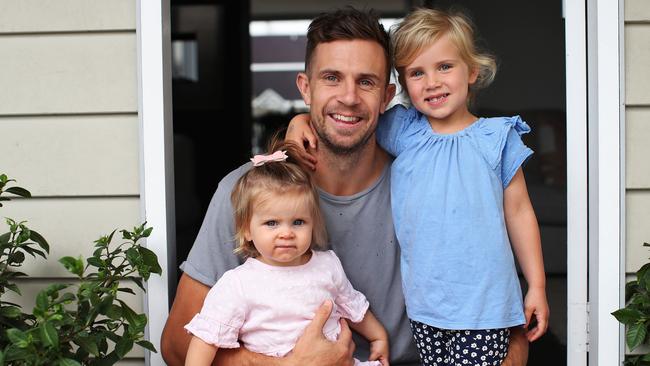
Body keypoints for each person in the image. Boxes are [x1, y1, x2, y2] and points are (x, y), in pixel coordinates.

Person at [161, 7, 529, 366]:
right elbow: (177, 345)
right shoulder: (247, 191)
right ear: (306, 88)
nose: (349, 97)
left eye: (366, 81)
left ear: (387, 97)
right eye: (331, 78)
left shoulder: (433, 182)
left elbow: (497, 307)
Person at [286, 7, 549, 366]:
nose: (432, 82)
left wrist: (536, 285)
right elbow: (347, 118)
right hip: (426, 308)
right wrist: (300, 119)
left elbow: (519, 212)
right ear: (403, 84)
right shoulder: (404, 131)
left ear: (472, 70)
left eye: (445, 67)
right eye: (417, 72)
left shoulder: (496, 137)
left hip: (483, 308)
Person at [184, 141, 388, 366]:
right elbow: (206, 338)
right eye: (272, 223)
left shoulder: (327, 265)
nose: (286, 233)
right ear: (246, 230)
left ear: (313, 223)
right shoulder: (238, 284)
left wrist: (378, 336)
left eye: (298, 222)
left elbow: (352, 305)